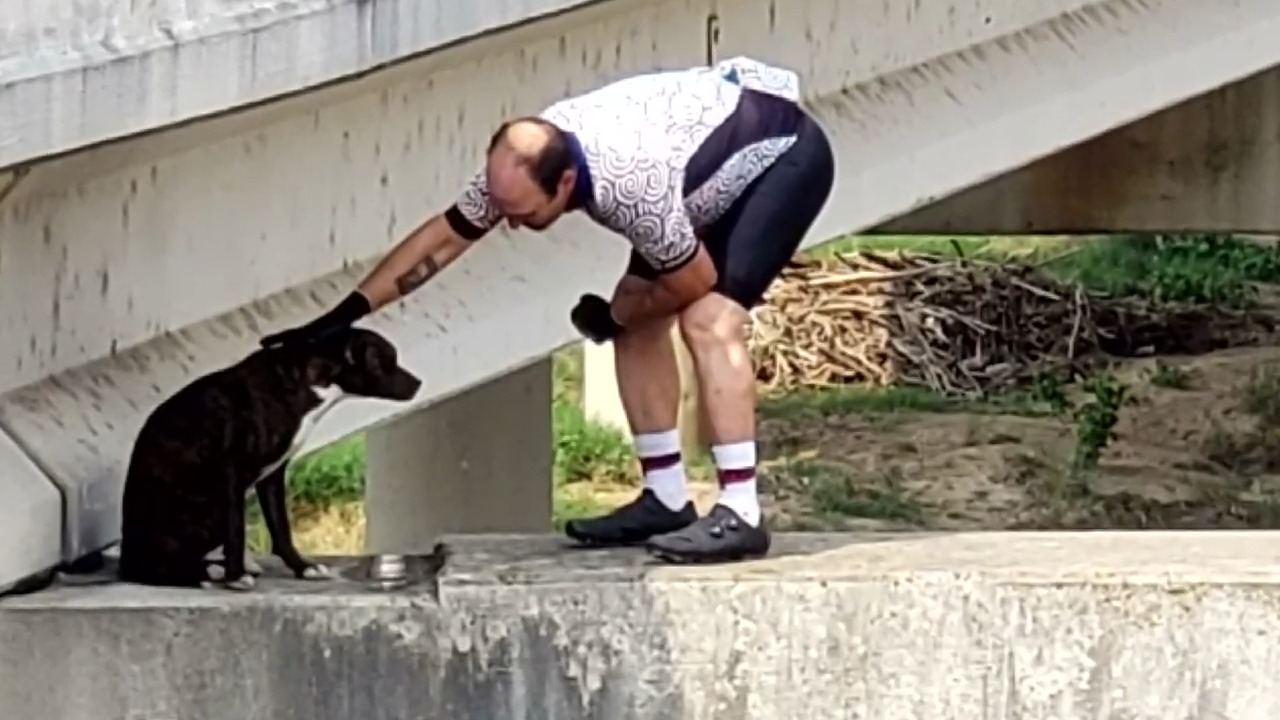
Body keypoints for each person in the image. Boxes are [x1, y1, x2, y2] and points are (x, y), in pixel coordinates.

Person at [260, 56, 836, 564]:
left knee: (707, 320)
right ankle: (665, 498)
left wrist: (617, 318)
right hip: (695, 172)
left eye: (523, 213)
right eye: (503, 209)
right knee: (637, 319)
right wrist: (342, 315)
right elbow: (441, 242)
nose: (509, 223)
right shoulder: (520, 166)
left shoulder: (631, 187)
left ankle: (741, 511)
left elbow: (694, 281)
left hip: (778, 159)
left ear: (564, 183)